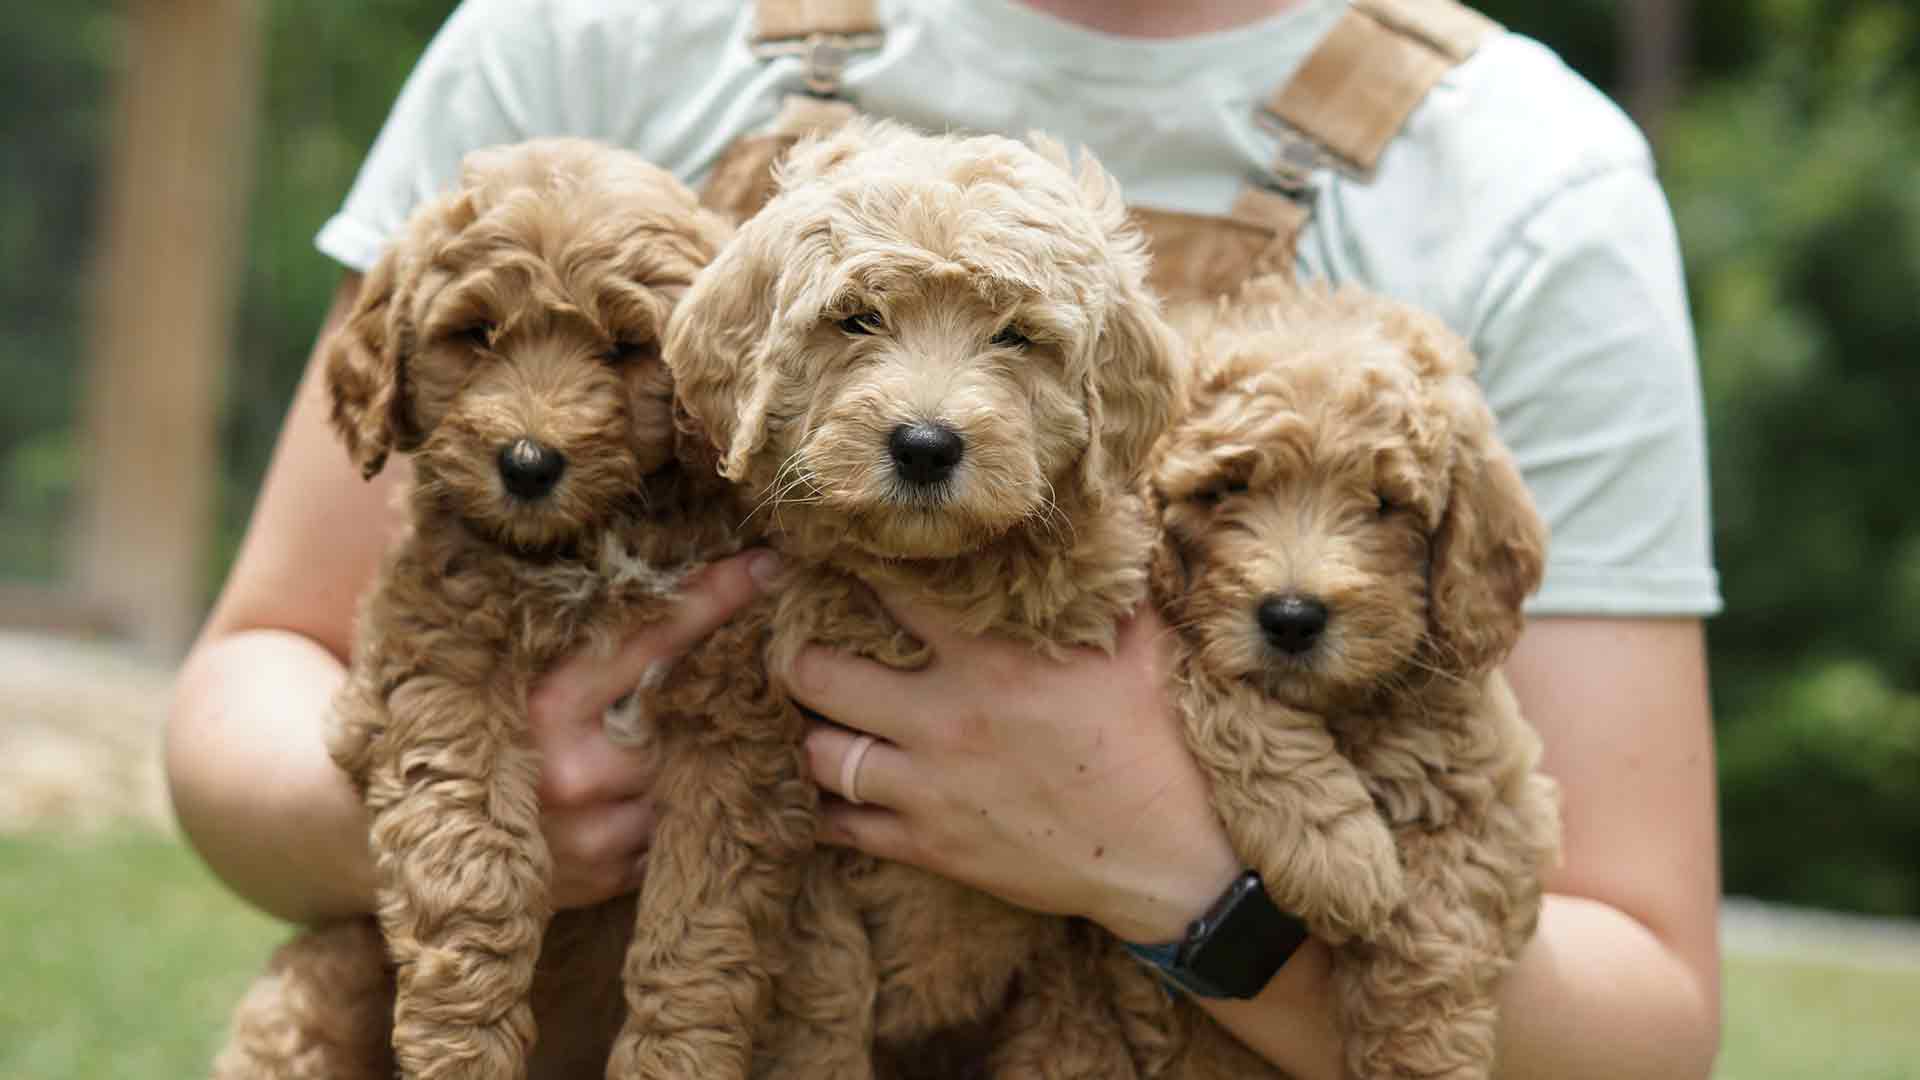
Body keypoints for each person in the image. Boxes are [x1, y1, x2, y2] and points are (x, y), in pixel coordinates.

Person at [166, 1, 1724, 1076]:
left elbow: (1646, 1013)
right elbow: (255, 675)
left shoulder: (1530, 186)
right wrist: (508, 806)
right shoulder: (592, 33)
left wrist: (1184, 872)